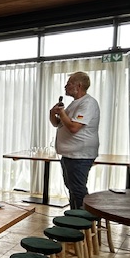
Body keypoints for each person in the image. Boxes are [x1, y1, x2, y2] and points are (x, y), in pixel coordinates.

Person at [49, 71, 100, 209]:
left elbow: (73, 127)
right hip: (69, 154)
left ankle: (84, 222)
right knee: (72, 188)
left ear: (78, 86)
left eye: (69, 83)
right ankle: (75, 218)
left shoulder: (88, 103)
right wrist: (53, 113)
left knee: (77, 189)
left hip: (80, 155)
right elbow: (57, 123)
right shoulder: (74, 104)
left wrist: (62, 113)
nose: (65, 86)